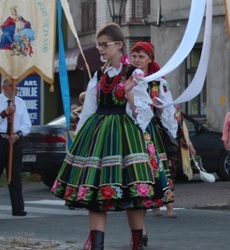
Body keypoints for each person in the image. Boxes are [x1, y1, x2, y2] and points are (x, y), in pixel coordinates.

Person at [52, 23, 159, 250]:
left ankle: (137, 242)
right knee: (96, 195)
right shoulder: (99, 75)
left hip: (125, 136)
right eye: (98, 45)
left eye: (104, 45)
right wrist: (79, 139)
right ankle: (96, 245)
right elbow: (89, 108)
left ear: (119, 45)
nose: (100, 49)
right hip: (98, 135)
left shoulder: (134, 74)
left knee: (133, 191)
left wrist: (129, 93)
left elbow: (142, 113)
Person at [131, 41, 177, 244]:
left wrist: (160, 108)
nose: (137, 60)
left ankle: (140, 229)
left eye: (141, 56)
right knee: (134, 180)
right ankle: (140, 230)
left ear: (150, 58)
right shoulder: (128, 78)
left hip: (148, 134)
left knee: (147, 180)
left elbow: (169, 112)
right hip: (129, 131)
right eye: (134, 56)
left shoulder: (159, 83)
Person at [0, 78, 32, 217]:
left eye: (16, 86)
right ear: (4, 86)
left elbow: (26, 124)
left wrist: (18, 135)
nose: (14, 88)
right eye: (12, 85)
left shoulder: (21, 102)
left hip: (14, 140)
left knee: (15, 174)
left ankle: (18, 208)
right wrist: (5, 112)